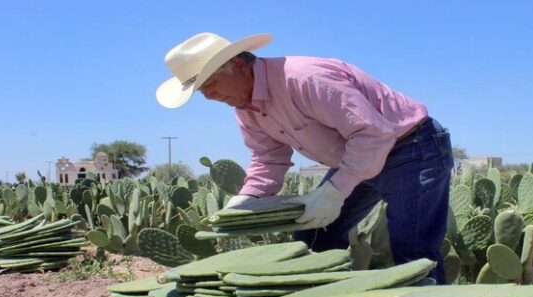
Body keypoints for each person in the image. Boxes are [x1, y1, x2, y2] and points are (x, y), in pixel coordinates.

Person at [156, 32, 453, 283]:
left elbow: (372, 134)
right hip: (355, 157)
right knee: (314, 234)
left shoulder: (304, 79)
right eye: (199, 90)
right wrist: (247, 200)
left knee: (414, 251)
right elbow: (268, 158)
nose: (208, 95)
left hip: (411, 148)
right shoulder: (245, 109)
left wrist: (335, 191)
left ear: (238, 65)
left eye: (209, 82)